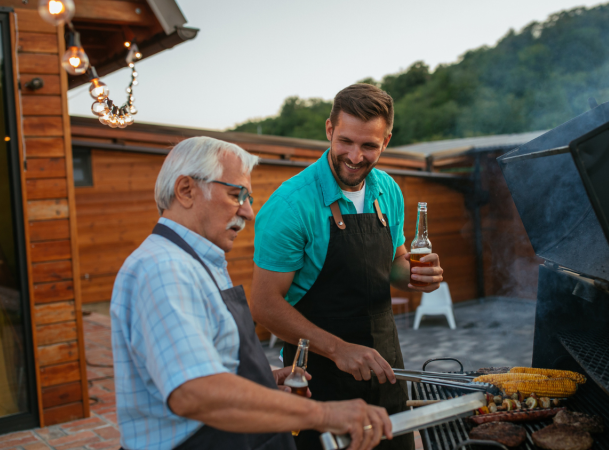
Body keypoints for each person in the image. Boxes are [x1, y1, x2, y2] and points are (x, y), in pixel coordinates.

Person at [111, 137, 392, 450]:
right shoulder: (165, 269)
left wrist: (261, 379)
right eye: (236, 195)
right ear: (186, 190)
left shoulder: (196, 261)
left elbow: (204, 362)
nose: (248, 212)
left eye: (247, 198)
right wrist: (323, 413)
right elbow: (194, 392)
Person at [250, 84, 445, 450]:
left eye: (369, 146)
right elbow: (263, 305)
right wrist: (339, 349)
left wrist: (418, 275)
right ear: (328, 130)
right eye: (346, 141)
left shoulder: (388, 190)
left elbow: (394, 264)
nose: (355, 157)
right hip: (317, 378)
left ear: (386, 140)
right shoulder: (290, 206)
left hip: (386, 366)